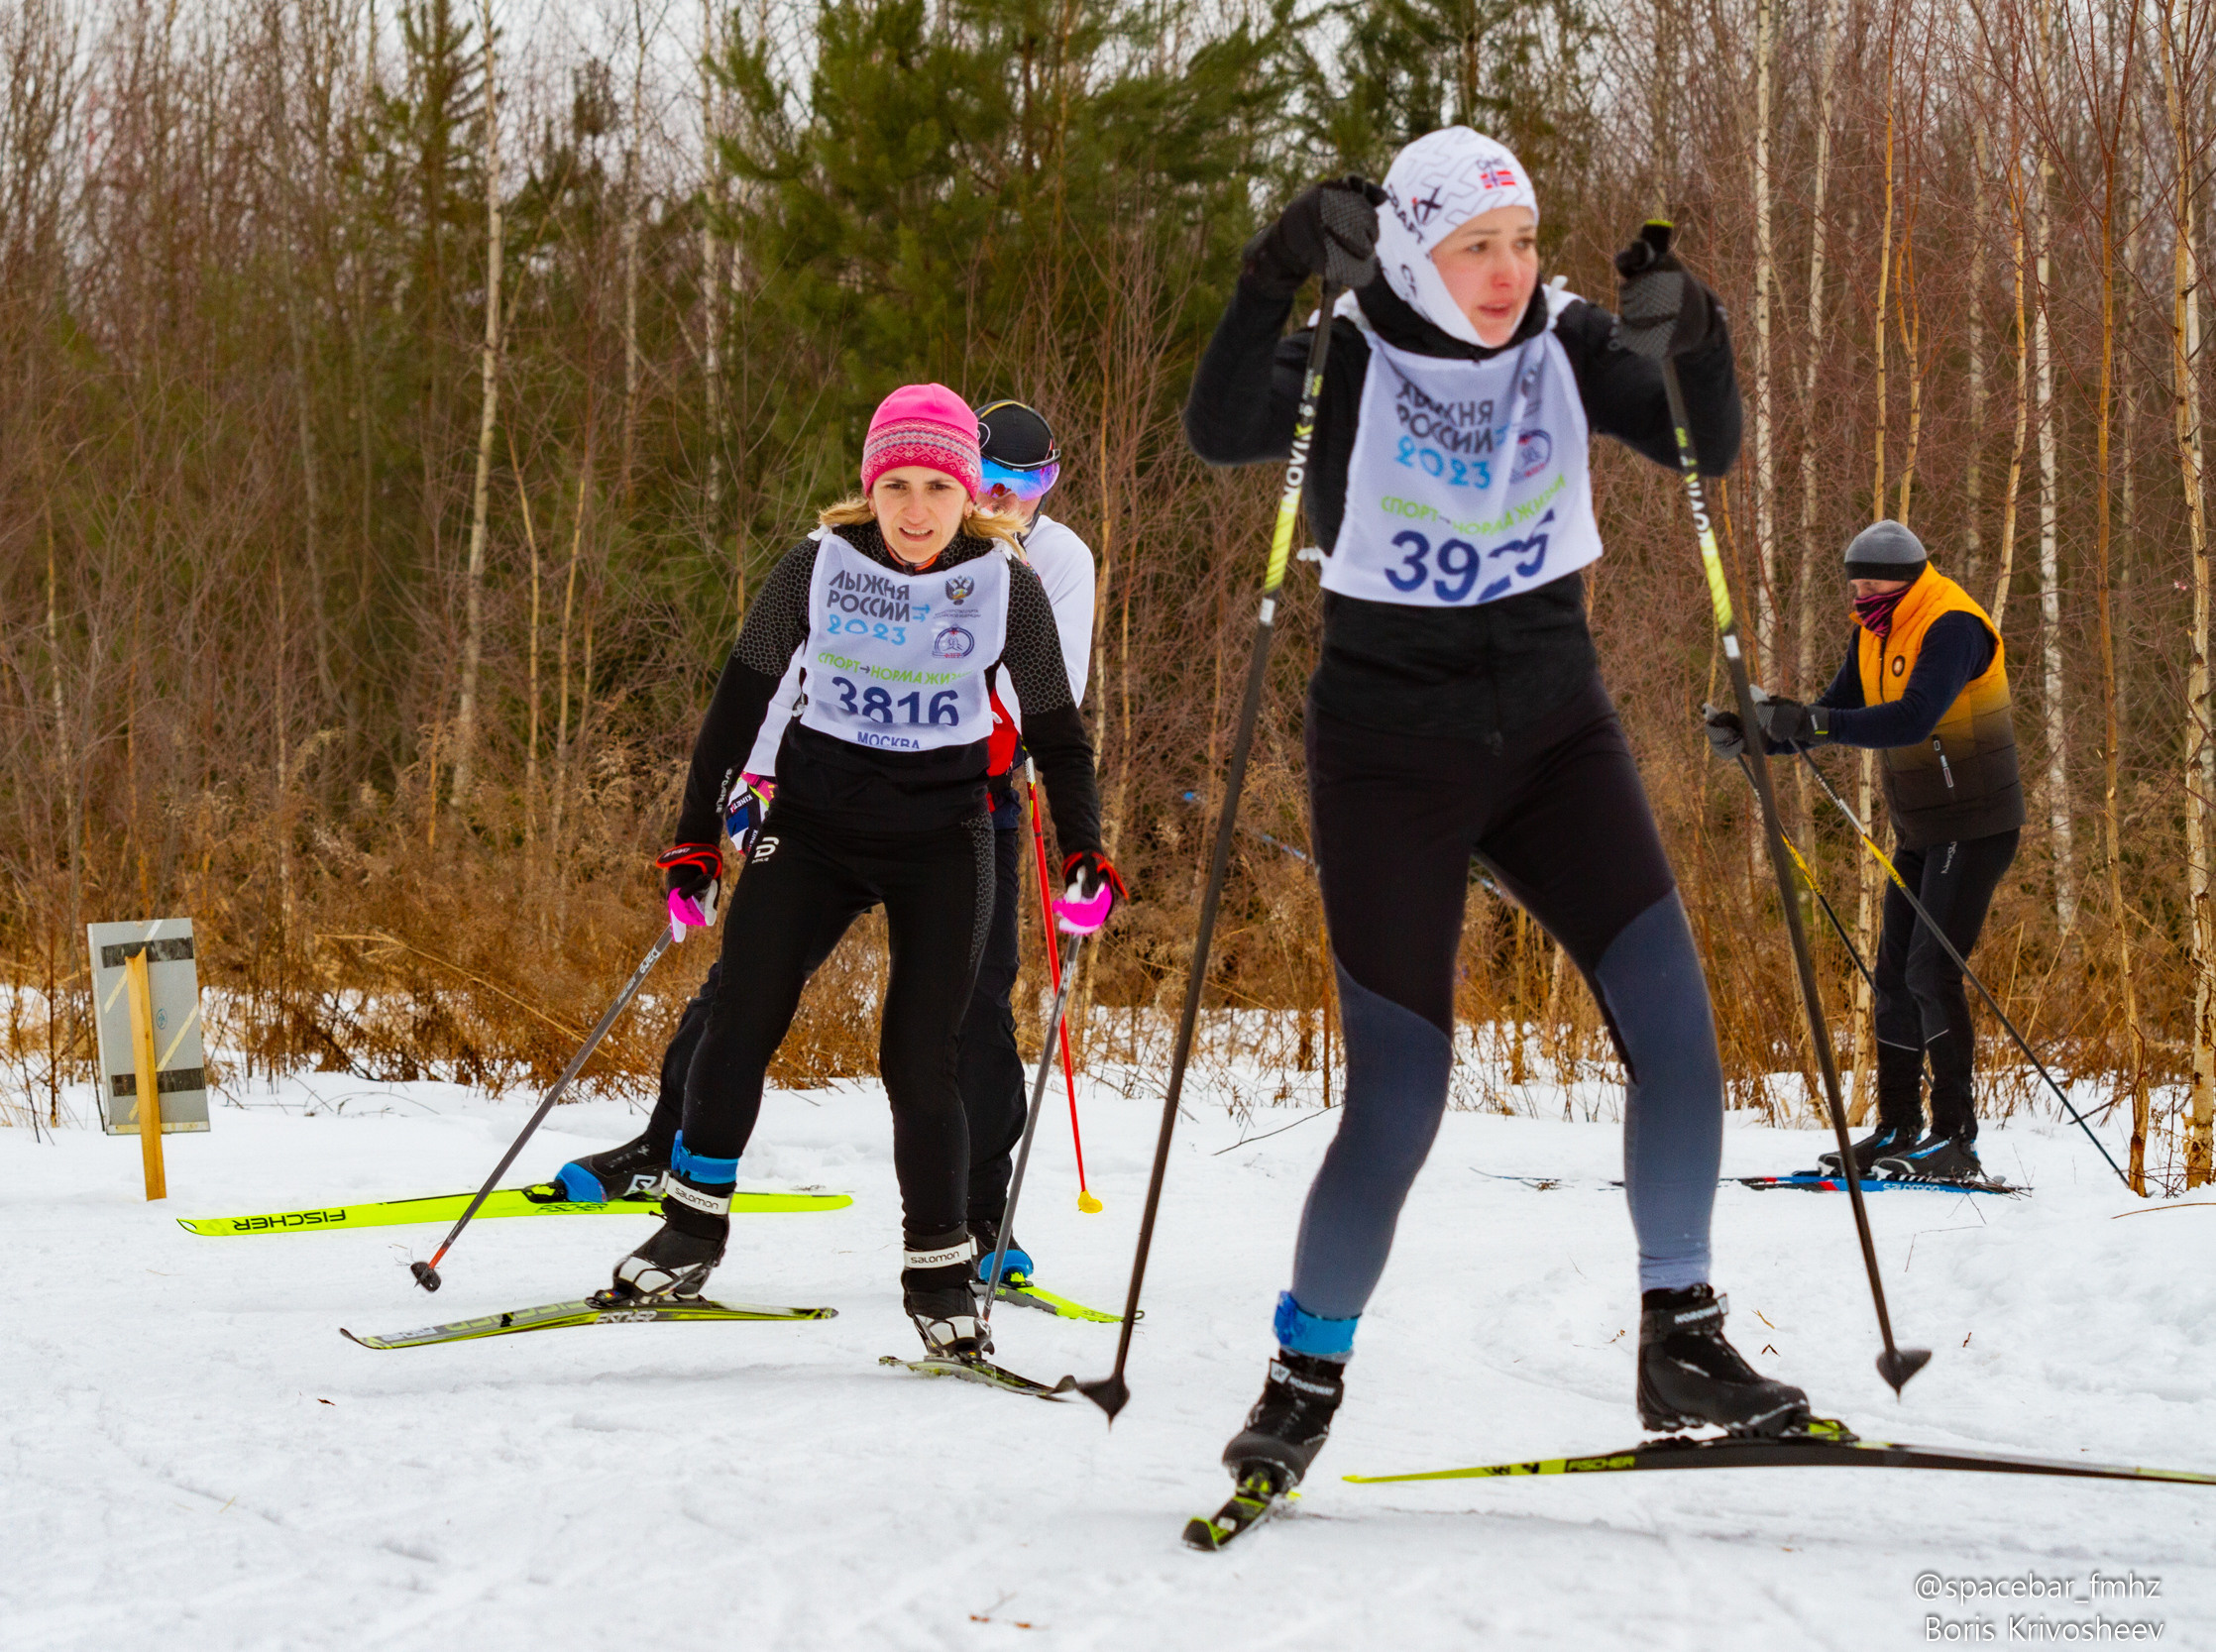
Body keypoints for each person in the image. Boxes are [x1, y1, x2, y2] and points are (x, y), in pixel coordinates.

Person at [1181, 126, 1809, 1496]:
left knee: (1681, 1040)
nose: (1509, 270)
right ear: (1415, 243)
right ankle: (1303, 1378)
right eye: (1477, 245)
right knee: (1402, 1091)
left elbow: (1709, 442)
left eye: (1522, 240)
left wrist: (1695, 327)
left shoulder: (1567, 339)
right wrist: (1268, 271)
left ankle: (1682, 1335)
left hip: (1550, 728)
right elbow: (1221, 428)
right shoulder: (1351, 345)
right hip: (1389, 748)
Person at [601, 384, 1122, 1361]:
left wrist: (1083, 846)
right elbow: (737, 699)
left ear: (967, 494)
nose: (915, 509)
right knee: (744, 1009)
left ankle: (939, 1266)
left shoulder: (1007, 582)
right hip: (811, 824)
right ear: (868, 489)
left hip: (946, 835)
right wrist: (694, 836)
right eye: (896, 486)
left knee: (919, 1053)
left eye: (936, 486)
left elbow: (1058, 728)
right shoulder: (814, 568)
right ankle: (689, 1228)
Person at [1705, 520, 2023, 1184]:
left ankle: (1955, 1138)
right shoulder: (1875, 632)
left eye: (1872, 585)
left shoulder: (1952, 625)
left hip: (1976, 821)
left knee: (1932, 972)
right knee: (1893, 978)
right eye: (1853, 586)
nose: (1861, 597)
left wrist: (1812, 722)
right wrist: (1761, 735)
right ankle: (1898, 1127)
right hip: (1921, 827)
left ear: (1907, 580)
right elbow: (1833, 713)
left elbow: (1911, 717)